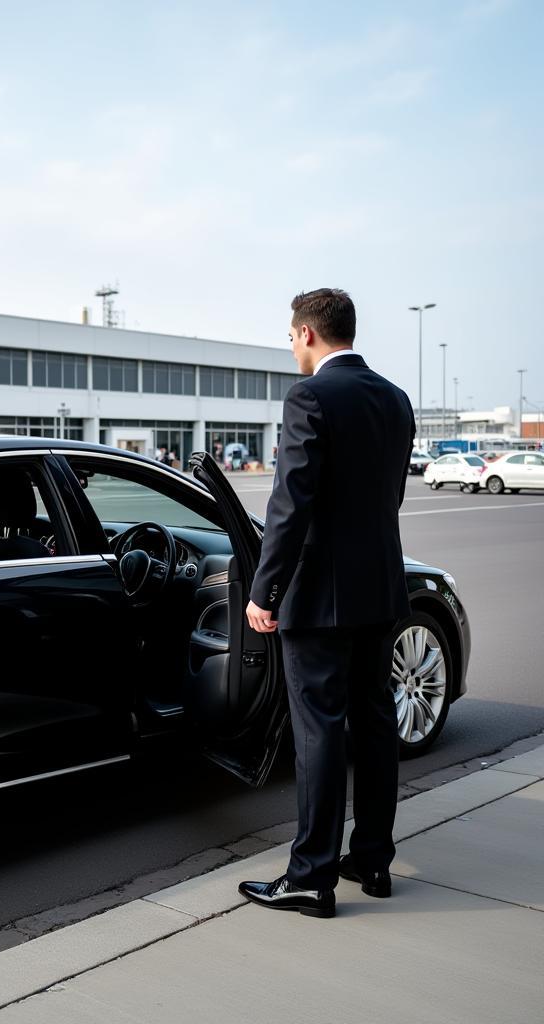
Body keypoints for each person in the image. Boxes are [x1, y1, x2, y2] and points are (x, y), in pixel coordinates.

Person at [238, 288, 415, 920]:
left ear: (308, 334)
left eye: (290, 337)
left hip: (318, 597)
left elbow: (291, 502)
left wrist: (264, 588)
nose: (290, 347)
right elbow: (388, 496)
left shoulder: (309, 395)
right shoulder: (394, 398)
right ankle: (372, 858)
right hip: (380, 587)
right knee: (373, 724)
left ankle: (311, 876)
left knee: (318, 732)